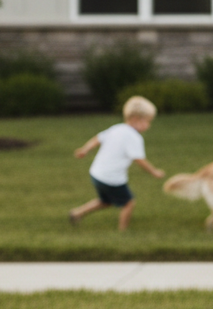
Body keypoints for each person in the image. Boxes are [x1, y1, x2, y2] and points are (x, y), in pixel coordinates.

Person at [69, 95, 165, 231]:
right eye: (148, 121)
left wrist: (85, 149)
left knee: (105, 201)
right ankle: (123, 231)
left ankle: (76, 213)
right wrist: (154, 172)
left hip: (96, 174)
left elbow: (98, 139)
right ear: (136, 119)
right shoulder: (134, 137)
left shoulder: (116, 128)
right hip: (112, 178)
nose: (149, 126)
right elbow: (139, 160)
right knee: (128, 203)